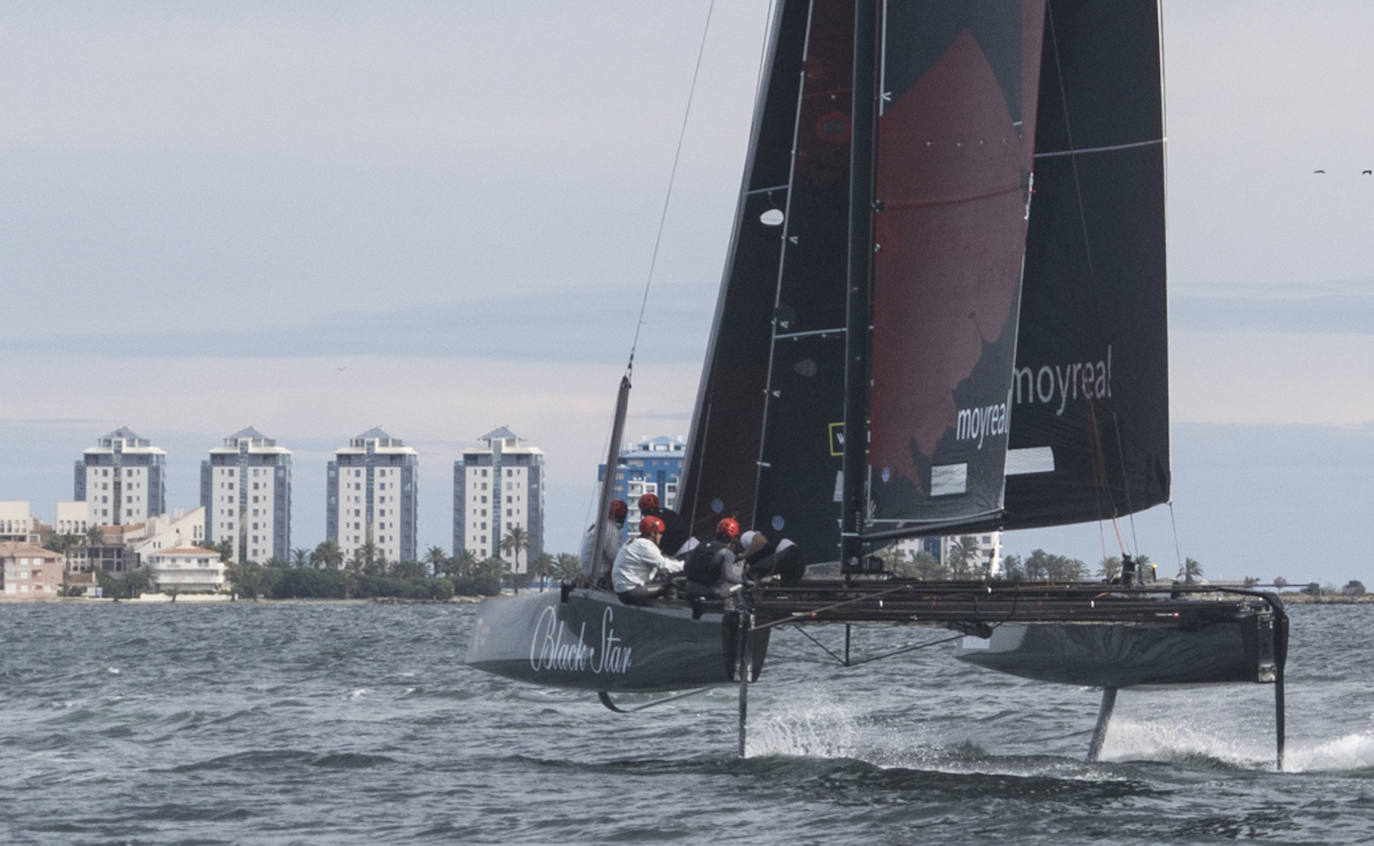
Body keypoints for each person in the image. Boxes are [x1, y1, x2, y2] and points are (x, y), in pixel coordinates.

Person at [612, 515, 684, 606]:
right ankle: (666, 612)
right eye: (660, 533)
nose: (661, 536)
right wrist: (685, 565)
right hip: (631, 591)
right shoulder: (645, 546)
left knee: (658, 580)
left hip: (622, 591)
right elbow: (664, 566)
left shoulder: (634, 541)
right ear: (653, 533)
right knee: (670, 587)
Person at [683, 517, 746, 600]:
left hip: (689, 587)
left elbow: (686, 567)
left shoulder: (701, 545)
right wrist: (743, 581)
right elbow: (729, 576)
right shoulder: (726, 553)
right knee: (739, 586)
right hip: (711, 591)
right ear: (734, 538)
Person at [579, 499, 627, 587]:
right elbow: (617, 558)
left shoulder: (598, 526)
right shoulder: (609, 529)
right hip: (599, 578)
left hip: (588, 575)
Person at [739, 530, 805, 586]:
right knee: (784, 589)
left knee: (751, 573)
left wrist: (743, 555)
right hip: (794, 563)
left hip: (789, 553)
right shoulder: (750, 559)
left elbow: (760, 541)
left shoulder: (745, 537)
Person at [637, 492, 692, 559]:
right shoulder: (667, 512)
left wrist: (666, 553)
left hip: (684, 549)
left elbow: (675, 537)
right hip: (691, 544)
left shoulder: (655, 522)